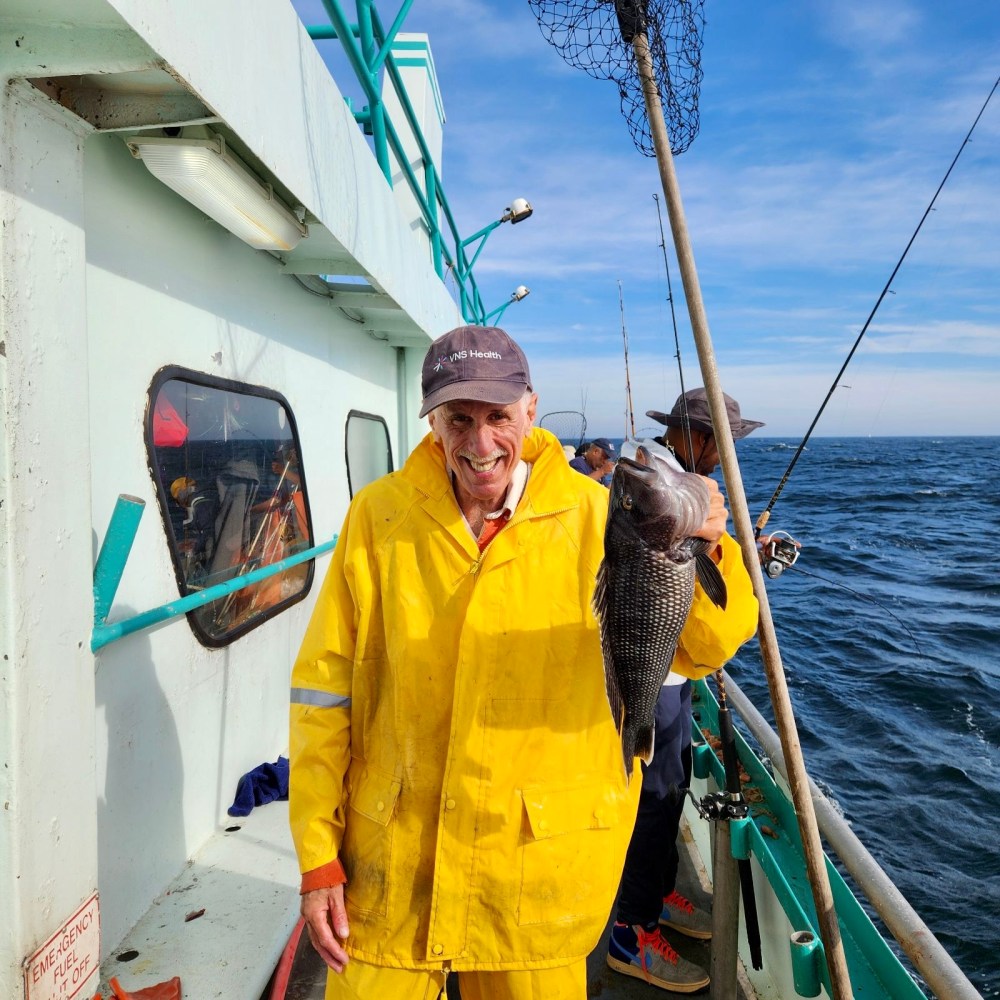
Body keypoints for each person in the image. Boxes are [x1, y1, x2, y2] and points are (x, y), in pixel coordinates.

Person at [288, 325, 645, 1000]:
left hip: (533, 879)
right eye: (459, 420)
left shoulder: (604, 519)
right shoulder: (378, 516)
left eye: (498, 418)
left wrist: (711, 549)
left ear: (531, 412)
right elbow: (322, 695)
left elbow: (704, 644)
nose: (481, 445)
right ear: (433, 421)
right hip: (390, 874)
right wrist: (317, 859)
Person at [606, 386, 763, 993]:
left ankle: (660, 890)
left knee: (667, 794)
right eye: (721, 443)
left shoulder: (658, 478)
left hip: (667, 669)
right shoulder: (663, 486)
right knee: (653, 798)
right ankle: (631, 929)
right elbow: (708, 622)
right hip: (661, 671)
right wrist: (713, 546)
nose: (724, 457)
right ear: (693, 437)